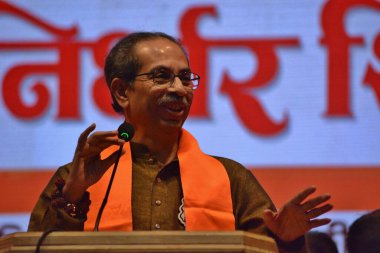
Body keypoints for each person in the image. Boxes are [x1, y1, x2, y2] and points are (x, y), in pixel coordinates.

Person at [28, 32, 332, 252]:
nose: (179, 89)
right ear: (122, 91)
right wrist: (74, 195)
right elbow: (37, 250)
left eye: (185, 78)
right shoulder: (77, 177)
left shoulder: (230, 178)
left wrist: (287, 242)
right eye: (161, 77)